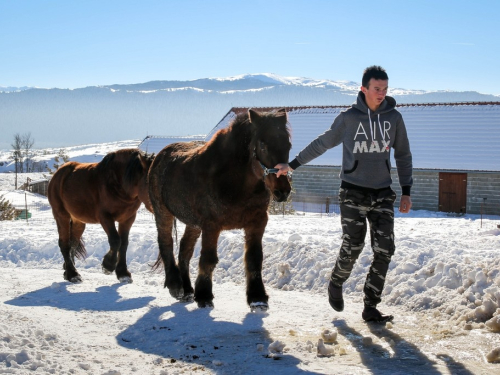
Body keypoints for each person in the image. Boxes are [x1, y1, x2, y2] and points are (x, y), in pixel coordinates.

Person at [275, 66, 413, 323]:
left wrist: (406, 191)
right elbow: (323, 142)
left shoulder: (394, 118)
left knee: (385, 249)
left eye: (385, 89)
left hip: (383, 192)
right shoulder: (349, 119)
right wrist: (292, 165)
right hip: (353, 191)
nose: (381, 93)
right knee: (354, 245)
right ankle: (336, 281)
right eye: (376, 89)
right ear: (364, 89)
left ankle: (370, 306)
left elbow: (403, 155)